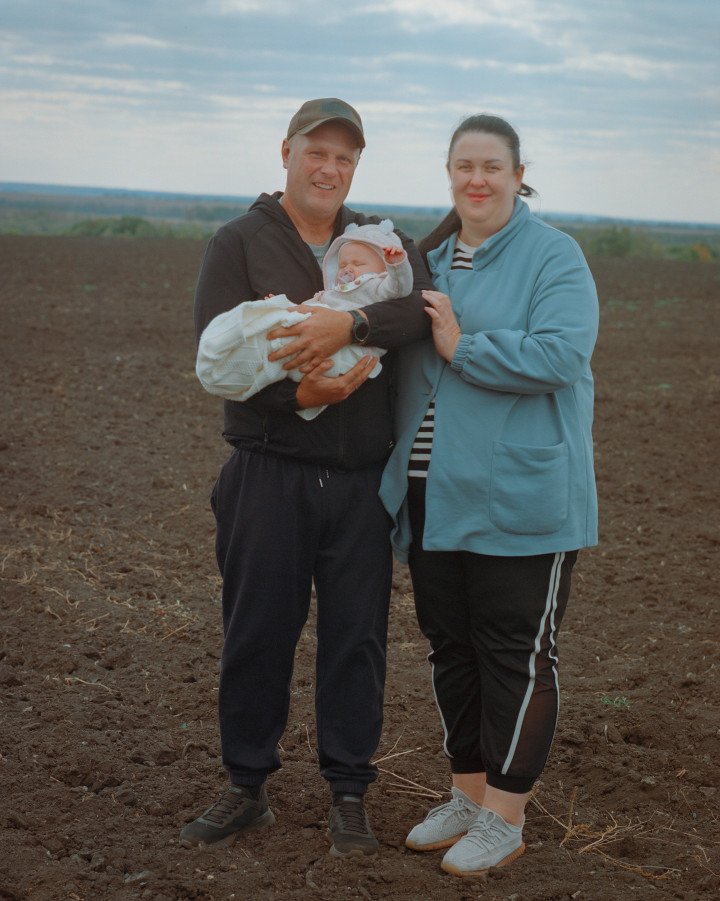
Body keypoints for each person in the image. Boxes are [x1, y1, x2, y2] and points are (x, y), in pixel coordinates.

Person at [181, 98, 432, 857]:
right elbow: (217, 356)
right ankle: (246, 786)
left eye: (344, 158)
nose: (328, 169)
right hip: (268, 473)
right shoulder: (241, 242)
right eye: (315, 152)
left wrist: (349, 325)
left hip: (359, 482)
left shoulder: (378, 242)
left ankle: (349, 790)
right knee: (257, 633)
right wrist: (299, 395)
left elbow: (416, 311)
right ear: (286, 152)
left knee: (356, 641)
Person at [379, 114, 599, 877]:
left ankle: (507, 813)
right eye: (464, 165)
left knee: (517, 654)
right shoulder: (429, 258)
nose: (478, 179)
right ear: (449, 174)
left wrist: (462, 345)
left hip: (521, 498)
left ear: (517, 173)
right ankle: (467, 795)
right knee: (454, 649)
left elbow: (563, 353)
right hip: (434, 493)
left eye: (492, 166)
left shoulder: (553, 255)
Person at [195, 219, 412, 420]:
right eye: (343, 263)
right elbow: (310, 309)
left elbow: (401, 288)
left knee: (285, 346)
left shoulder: (377, 286)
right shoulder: (333, 292)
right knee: (285, 328)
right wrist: (284, 306)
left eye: (358, 263)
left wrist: (397, 265)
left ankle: (247, 357)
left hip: (353, 355)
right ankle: (244, 349)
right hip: (318, 340)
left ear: (381, 268)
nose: (348, 268)